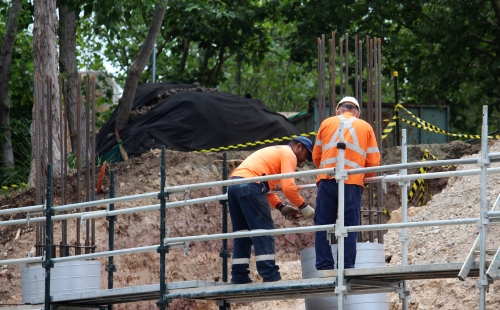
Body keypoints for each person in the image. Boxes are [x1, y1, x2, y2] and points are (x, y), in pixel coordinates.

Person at [228, 136, 316, 284]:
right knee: (264, 231)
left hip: (234, 185)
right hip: (250, 185)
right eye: (305, 155)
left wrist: (281, 206)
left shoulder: (275, 154)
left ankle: (239, 276)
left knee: (242, 234)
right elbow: (288, 187)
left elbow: (265, 187)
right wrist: (303, 206)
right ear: (298, 147)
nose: (302, 162)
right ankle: (270, 276)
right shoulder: (289, 154)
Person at [312, 96, 380, 276]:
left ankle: (325, 266)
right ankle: (347, 266)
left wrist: (325, 170)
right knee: (349, 226)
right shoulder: (365, 126)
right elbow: (373, 162)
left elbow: (316, 157)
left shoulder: (326, 123)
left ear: (338, 110)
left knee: (323, 225)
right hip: (352, 183)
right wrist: (363, 176)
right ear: (357, 112)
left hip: (327, 180)